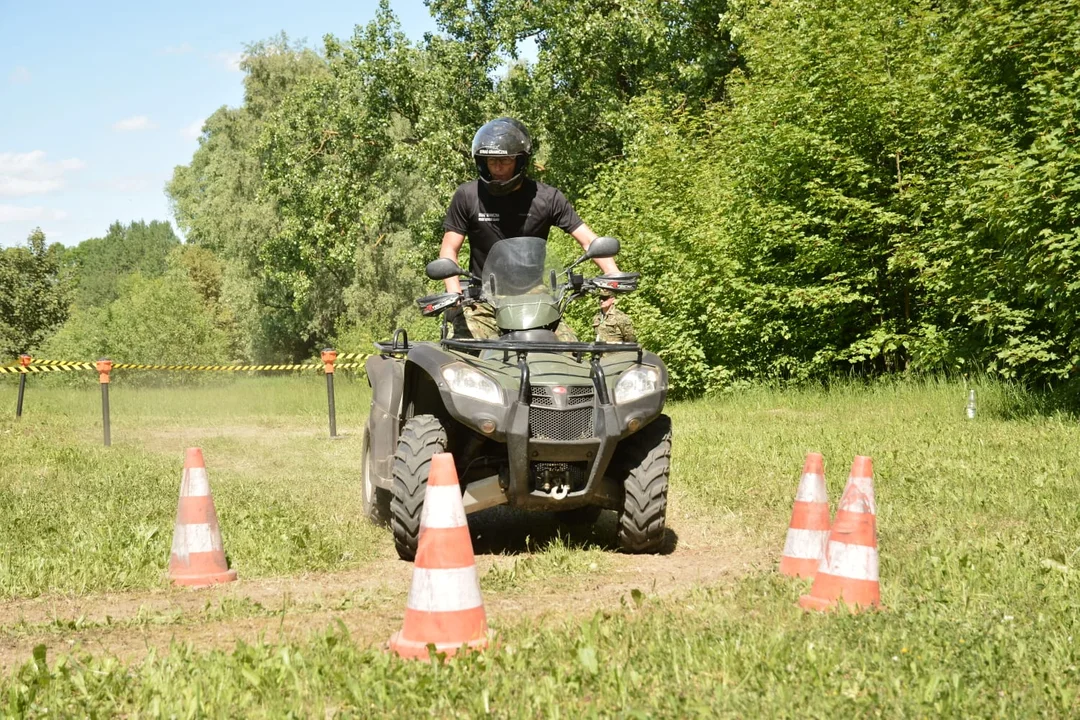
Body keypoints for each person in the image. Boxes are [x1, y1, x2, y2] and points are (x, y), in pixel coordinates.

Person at [439, 117, 632, 341]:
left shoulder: (547, 198)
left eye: (506, 160)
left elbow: (589, 241)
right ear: (482, 162)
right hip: (482, 298)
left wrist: (612, 275)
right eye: (491, 161)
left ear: (520, 161)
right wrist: (455, 293)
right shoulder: (468, 196)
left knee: (568, 353)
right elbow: (449, 250)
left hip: (535, 298)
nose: (498, 167)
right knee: (466, 356)